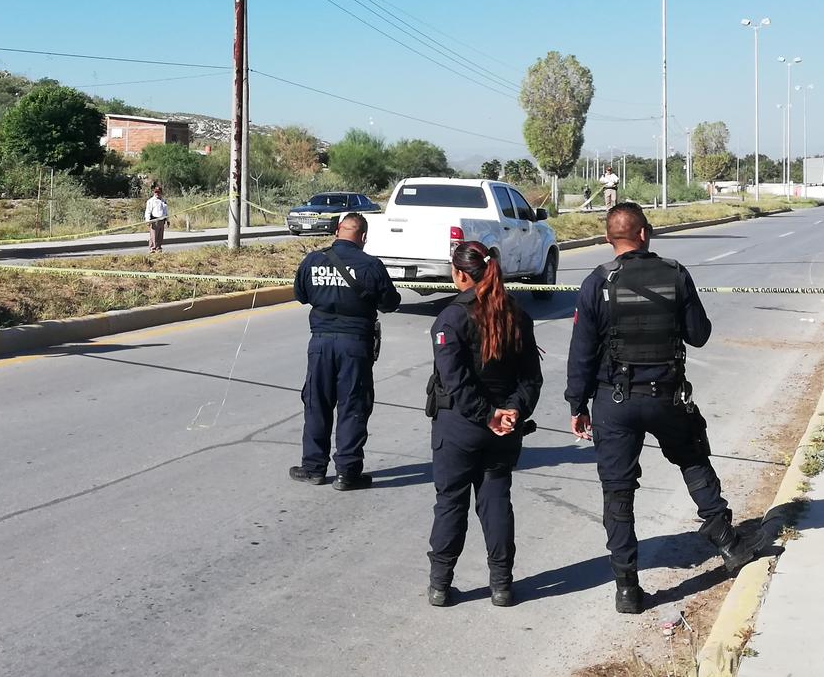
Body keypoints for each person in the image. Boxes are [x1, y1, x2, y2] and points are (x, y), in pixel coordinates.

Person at [565, 202, 769, 614]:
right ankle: (728, 544)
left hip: (614, 402)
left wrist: (577, 403)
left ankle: (627, 588)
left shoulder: (596, 283)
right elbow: (699, 335)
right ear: (644, 233)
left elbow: (582, 352)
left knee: (618, 492)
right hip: (666, 396)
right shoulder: (676, 274)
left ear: (609, 238)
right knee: (692, 459)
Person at [425, 241, 543, 608]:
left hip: (460, 428)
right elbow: (531, 379)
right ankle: (501, 586)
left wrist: (490, 414)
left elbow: (455, 381)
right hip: (502, 431)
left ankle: (440, 586)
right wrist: (511, 412)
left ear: (459, 273)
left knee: (450, 504)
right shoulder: (516, 314)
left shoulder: (452, 318)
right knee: (496, 502)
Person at [291, 213, 401, 490]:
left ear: (338, 231)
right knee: (353, 405)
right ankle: (347, 473)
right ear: (363, 237)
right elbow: (390, 303)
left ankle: (314, 468)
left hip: (320, 343)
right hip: (355, 345)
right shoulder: (371, 265)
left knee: (317, 403)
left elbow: (302, 295)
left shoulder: (313, 261)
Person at [144, 184, 169, 253]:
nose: (157, 193)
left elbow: (166, 211)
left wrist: (167, 220)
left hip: (162, 220)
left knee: (160, 236)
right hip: (154, 220)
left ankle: (159, 248)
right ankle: (152, 248)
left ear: (161, 192)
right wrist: (147, 220)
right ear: (154, 192)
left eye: (158, 192)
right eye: (156, 192)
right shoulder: (151, 201)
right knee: (153, 236)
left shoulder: (163, 201)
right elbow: (148, 211)